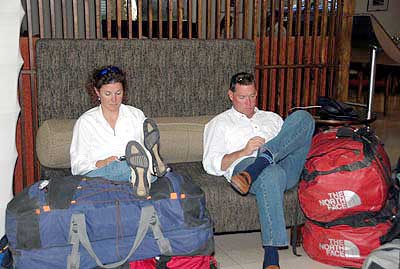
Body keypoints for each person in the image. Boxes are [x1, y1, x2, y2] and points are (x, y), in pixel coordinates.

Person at [203, 72, 315, 269]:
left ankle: (262, 160)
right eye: (242, 97)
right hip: (244, 166)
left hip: (283, 167)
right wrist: (244, 150)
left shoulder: (272, 118)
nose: (249, 102)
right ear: (231, 95)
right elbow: (211, 164)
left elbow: (290, 142)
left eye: (253, 96)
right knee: (269, 174)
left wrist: (269, 151)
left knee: (304, 117)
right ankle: (271, 258)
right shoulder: (219, 123)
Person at [70, 65, 167, 197]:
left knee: (137, 164)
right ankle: (143, 174)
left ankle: (144, 172)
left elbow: (142, 150)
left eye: (118, 93)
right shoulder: (86, 122)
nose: (114, 99)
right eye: (108, 94)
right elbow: (77, 167)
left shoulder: (136, 115)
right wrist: (101, 163)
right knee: (121, 168)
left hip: (134, 165)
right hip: (101, 173)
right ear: (97, 92)